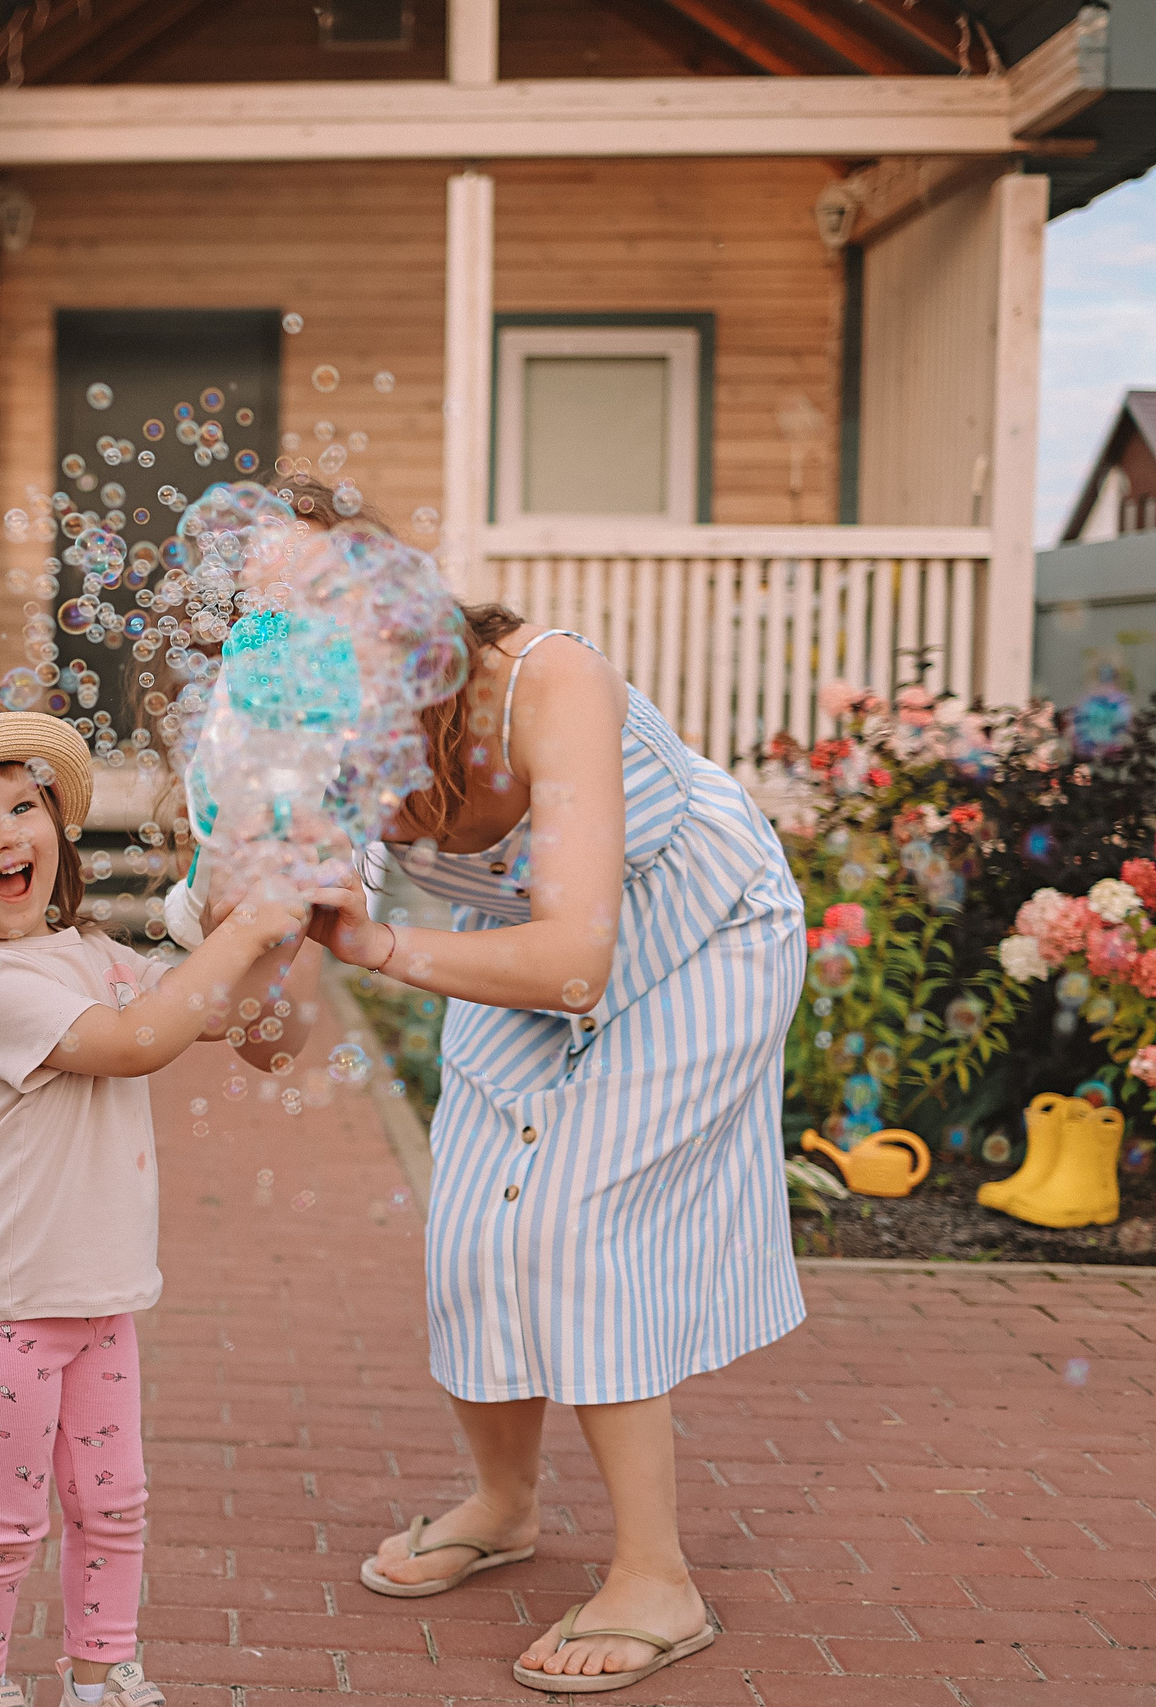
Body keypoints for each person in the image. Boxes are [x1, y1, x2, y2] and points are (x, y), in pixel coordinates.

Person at [304, 605, 805, 1695]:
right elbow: (269, 965)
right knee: (471, 1228)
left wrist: (376, 942)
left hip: (697, 942)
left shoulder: (550, 679)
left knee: (574, 1223)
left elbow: (577, 966)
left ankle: (656, 1579)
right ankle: (505, 1504)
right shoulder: (313, 736)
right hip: (514, 945)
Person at [0, 705, 304, 1707]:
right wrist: (239, 942)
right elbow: (138, 1040)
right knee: (7, 1522)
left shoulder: (87, 951)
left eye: (23, 807)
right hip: (0, 1310)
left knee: (114, 1505)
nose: (9, 833)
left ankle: (102, 1673)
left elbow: (246, 1028)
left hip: (97, 1297)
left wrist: (271, 922)